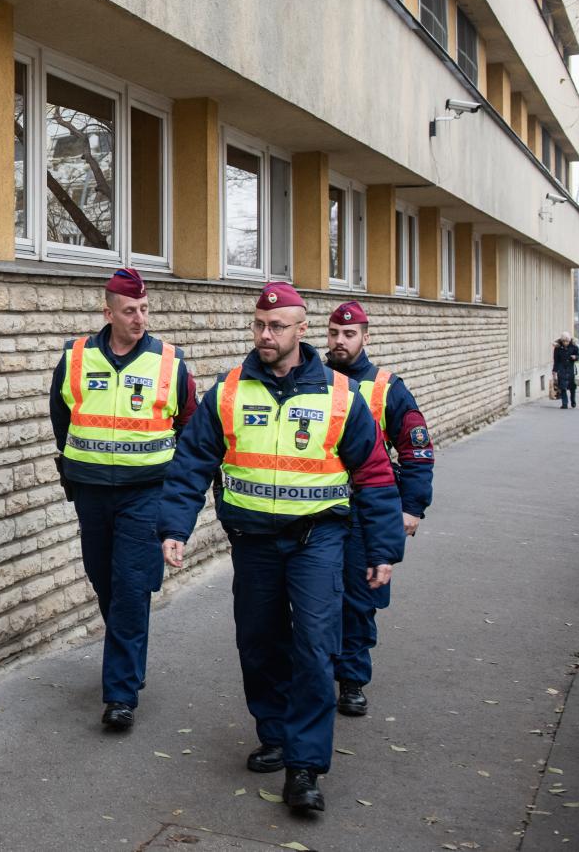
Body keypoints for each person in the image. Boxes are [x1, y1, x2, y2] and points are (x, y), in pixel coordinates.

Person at [158, 283, 402, 813]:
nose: (265, 336)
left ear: (301, 330)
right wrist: (174, 527)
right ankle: (273, 732)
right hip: (253, 543)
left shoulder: (341, 396)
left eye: (276, 327)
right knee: (260, 642)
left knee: (315, 647)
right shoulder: (227, 391)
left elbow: (376, 474)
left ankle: (305, 766)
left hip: (319, 540)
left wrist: (382, 548)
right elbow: (192, 461)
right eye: (259, 326)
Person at [50, 267, 196, 733]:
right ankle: (126, 659)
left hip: (145, 493)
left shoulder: (170, 363)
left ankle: (120, 693)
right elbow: (62, 417)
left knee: (130, 587)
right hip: (91, 493)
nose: (140, 319)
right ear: (108, 311)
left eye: (144, 309)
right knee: (104, 581)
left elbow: (190, 429)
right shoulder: (75, 358)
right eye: (130, 310)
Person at [323, 301, 434, 718]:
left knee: (359, 598)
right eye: (334, 333)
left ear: (365, 338)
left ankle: (351, 680)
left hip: (366, 512)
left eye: (349, 335)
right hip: (317, 510)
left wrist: (412, 506)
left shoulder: (387, 388)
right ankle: (318, 672)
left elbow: (417, 448)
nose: (339, 341)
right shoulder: (312, 381)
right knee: (318, 598)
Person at [552, 333, 579, 409]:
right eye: (564, 341)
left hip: (571, 369)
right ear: (561, 341)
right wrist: (554, 371)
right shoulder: (558, 348)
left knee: (572, 387)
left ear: (570, 340)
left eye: (567, 341)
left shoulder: (574, 347)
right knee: (562, 386)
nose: (565, 343)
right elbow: (556, 360)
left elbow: (578, 356)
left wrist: (575, 357)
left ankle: (573, 400)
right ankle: (565, 403)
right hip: (561, 369)